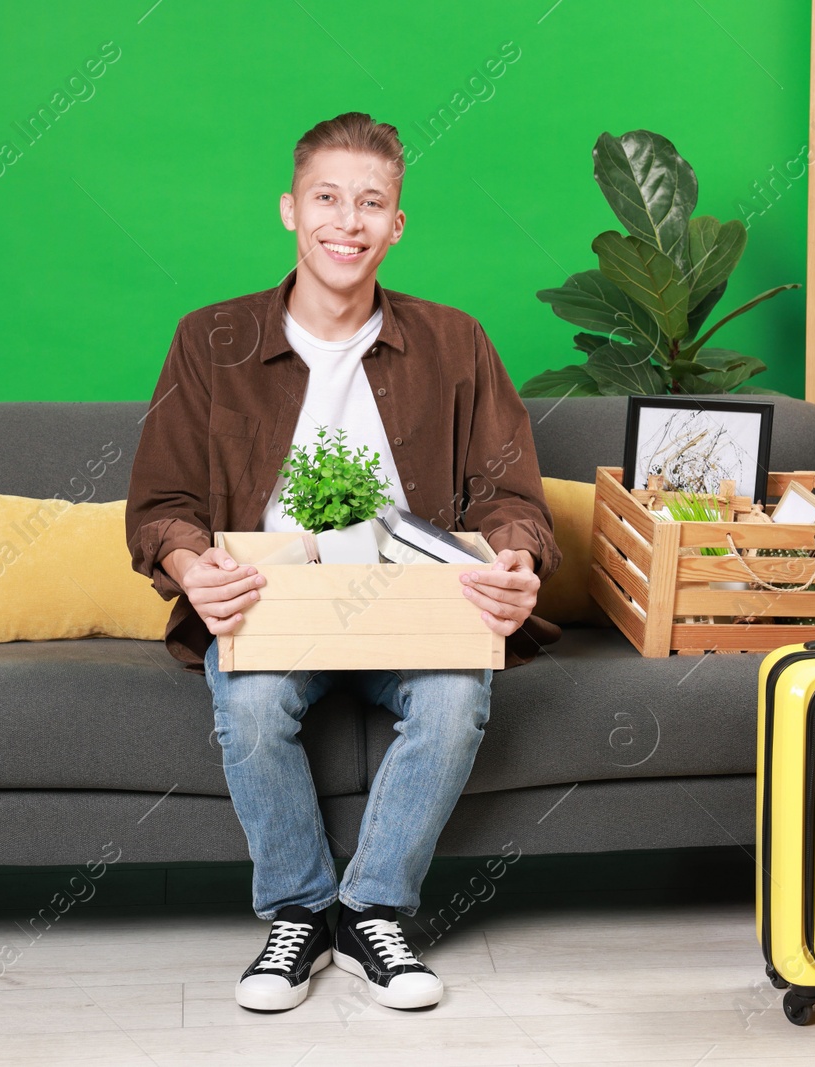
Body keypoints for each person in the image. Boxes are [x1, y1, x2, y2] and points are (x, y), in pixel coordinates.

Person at [125, 111, 559, 1013]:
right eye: (327, 198)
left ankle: (371, 911)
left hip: (417, 607)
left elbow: (511, 493)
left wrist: (516, 561)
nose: (346, 222)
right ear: (291, 209)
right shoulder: (211, 341)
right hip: (271, 606)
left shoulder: (457, 341)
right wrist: (191, 563)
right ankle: (300, 910)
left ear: (397, 223)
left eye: (371, 203)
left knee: (454, 696)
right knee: (248, 703)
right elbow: (162, 505)